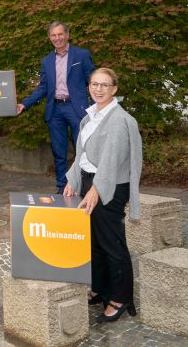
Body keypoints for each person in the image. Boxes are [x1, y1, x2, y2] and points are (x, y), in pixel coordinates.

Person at [64, 68, 142, 323]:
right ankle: (100, 288)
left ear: (114, 89)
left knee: (112, 243)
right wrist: (73, 181)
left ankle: (120, 298)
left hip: (110, 186)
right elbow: (82, 155)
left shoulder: (120, 120)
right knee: (95, 243)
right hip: (90, 182)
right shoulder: (90, 116)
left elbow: (110, 161)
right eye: (94, 84)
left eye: (104, 85)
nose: (98, 89)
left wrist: (96, 190)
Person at [16, 21, 95, 193]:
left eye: (60, 34)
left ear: (67, 35)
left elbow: (93, 81)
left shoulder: (81, 55)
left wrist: (98, 107)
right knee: (59, 153)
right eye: (53, 35)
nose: (57, 38)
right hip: (55, 111)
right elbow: (43, 87)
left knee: (82, 151)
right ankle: (61, 187)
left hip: (77, 109)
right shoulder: (47, 61)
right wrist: (24, 103)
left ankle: (83, 187)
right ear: (49, 37)